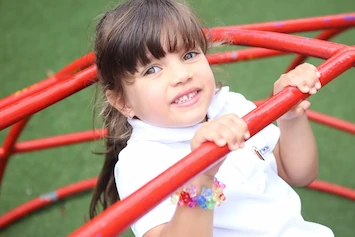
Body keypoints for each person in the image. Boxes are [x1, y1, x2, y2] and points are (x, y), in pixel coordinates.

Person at [89, 0, 334, 236]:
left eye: (189, 55)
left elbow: (298, 174)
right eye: (152, 69)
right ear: (123, 102)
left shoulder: (231, 105)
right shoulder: (141, 162)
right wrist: (202, 175)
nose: (181, 75)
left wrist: (290, 117)